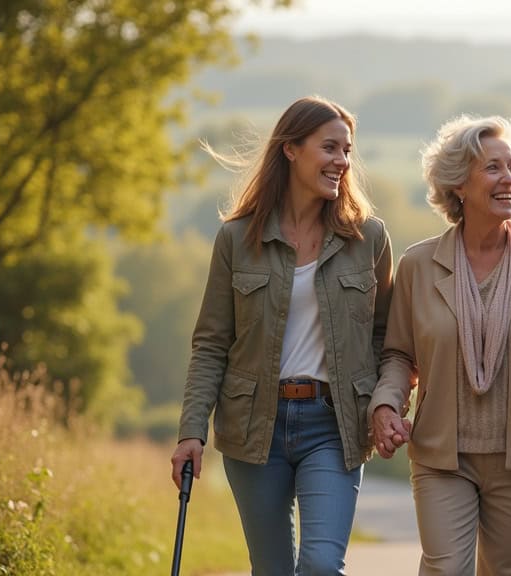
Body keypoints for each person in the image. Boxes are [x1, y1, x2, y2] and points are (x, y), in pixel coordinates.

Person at [170, 95, 393, 576]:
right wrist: (192, 431)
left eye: (348, 151)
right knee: (271, 570)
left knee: (319, 564)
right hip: (254, 426)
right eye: (330, 148)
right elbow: (210, 344)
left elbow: (386, 341)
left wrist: (384, 404)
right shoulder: (237, 239)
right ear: (291, 149)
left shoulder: (368, 239)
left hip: (333, 425)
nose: (342, 162)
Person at [369, 115, 511, 575]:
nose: (509, 180)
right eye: (493, 168)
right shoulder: (419, 265)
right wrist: (385, 407)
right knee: (445, 570)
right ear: (459, 184)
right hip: (443, 456)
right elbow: (399, 353)